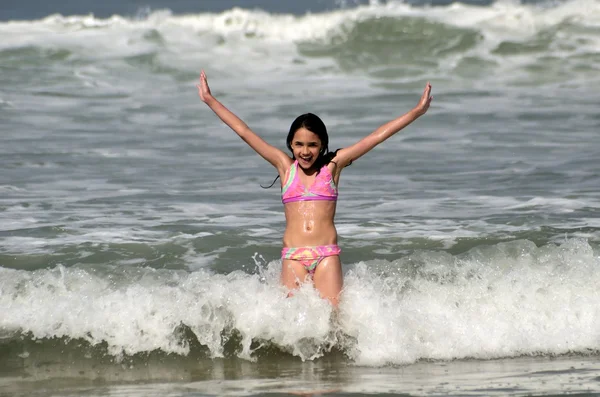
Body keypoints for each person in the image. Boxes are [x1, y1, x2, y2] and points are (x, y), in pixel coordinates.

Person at [197, 70, 432, 307]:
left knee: (332, 322)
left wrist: (416, 112)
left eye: (313, 145)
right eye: (299, 144)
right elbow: (244, 132)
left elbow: (375, 137)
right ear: (290, 143)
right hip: (293, 257)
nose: (305, 151)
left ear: (322, 145)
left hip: (326, 255)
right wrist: (209, 99)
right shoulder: (285, 167)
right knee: (291, 324)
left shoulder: (332, 167)